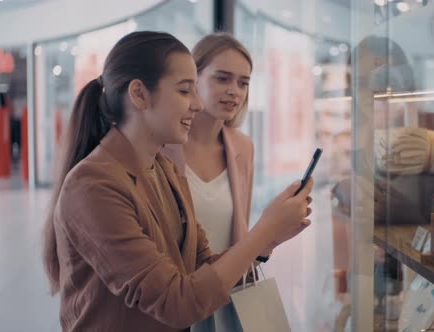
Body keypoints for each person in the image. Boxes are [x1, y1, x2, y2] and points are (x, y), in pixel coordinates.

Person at [42, 31, 313, 332]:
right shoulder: (93, 185)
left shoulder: (164, 170)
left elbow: (201, 268)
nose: (197, 105)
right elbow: (176, 304)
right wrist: (264, 232)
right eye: (185, 91)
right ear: (139, 94)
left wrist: (271, 238)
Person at [162, 32, 255, 332]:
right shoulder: (160, 146)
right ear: (193, 79)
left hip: (228, 295)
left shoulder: (243, 148)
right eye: (222, 79)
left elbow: (241, 229)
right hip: (174, 295)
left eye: (243, 82)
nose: (234, 92)